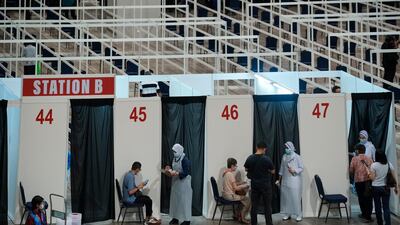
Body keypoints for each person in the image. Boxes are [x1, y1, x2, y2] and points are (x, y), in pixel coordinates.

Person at [244, 142, 274, 225]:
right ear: (264, 149)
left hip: (255, 186)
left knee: (254, 206)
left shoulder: (250, 158)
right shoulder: (267, 159)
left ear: (256, 147)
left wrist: (253, 171)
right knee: (267, 206)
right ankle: (269, 223)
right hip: (265, 186)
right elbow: (273, 171)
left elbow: (246, 169)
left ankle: (254, 223)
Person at [164, 144, 192, 225]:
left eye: (175, 151)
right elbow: (171, 166)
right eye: (173, 151)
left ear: (179, 151)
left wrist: (177, 173)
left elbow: (186, 172)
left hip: (184, 184)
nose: (174, 153)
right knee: (175, 201)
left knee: (184, 202)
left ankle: (187, 220)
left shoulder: (185, 160)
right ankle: (175, 218)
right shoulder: (174, 158)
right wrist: (168, 168)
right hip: (175, 183)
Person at [368, 151, 399, 225]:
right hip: (386, 187)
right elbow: (394, 177)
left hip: (376, 187)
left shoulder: (374, 165)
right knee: (386, 207)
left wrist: (368, 174)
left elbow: (372, 178)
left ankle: (380, 223)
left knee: (378, 206)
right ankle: (388, 223)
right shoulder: (389, 164)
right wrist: (396, 186)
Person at [277, 141, 303, 222]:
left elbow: (301, 168)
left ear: (291, 148)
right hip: (285, 180)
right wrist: (279, 179)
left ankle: (299, 214)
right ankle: (287, 213)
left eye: (287, 148)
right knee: (286, 198)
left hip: (294, 180)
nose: (286, 149)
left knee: (295, 197)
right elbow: (281, 169)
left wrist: (294, 170)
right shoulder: (284, 156)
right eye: (285, 148)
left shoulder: (297, 157)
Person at [222, 158, 250, 224]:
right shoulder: (231, 175)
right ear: (232, 166)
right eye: (235, 166)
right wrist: (246, 185)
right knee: (247, 200)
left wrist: (241, 182)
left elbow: (231, 184)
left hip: (225, 195)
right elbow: (236, 188)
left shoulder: (225, 173)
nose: (236, 167)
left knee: (242, 199)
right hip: (230, 196)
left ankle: (236, 215)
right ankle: (242, 218)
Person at [349, 144, 373, 222]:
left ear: (357, 150)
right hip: (368, 181)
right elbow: (372, 169)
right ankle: (368, 215)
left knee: (361, 198)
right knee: (368, 198)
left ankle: (363, 213)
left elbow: (351, 170)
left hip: (358, 181)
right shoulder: (369, 158)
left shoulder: (354, 159)